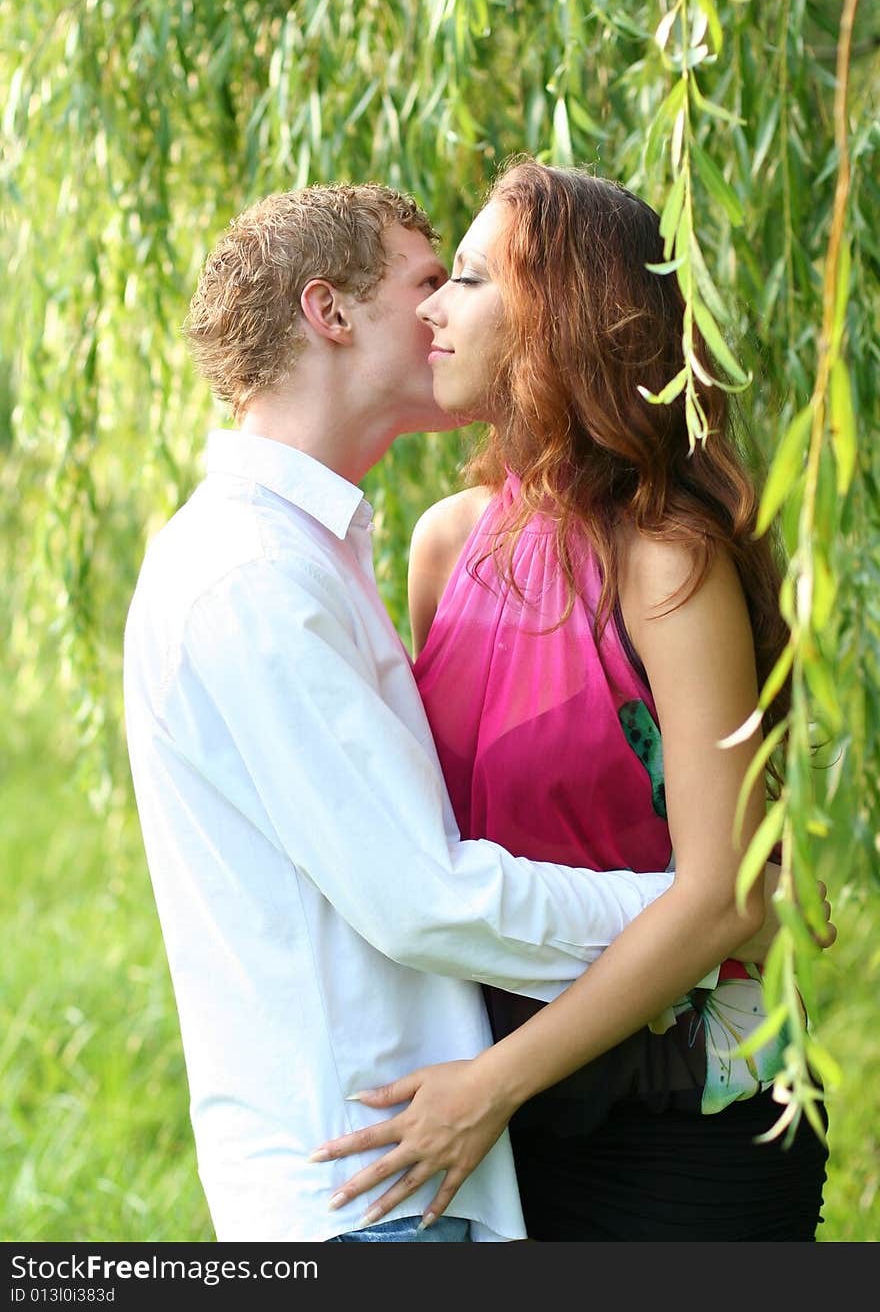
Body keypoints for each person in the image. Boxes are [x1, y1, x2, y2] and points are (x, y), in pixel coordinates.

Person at [122, 181, 723, 1244]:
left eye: (466, 279)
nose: (442, 305)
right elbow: (422, 896)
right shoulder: (254, 577)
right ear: (330, 312)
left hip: (441, 1153)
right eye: (425, 277)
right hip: (366, 1174)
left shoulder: (318, 552)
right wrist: (690, 915)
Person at [309, 162, 831, 1241]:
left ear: (559, 318)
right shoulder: (447, 545)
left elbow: (729, 894)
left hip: (684, 1120)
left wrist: (492, 1084)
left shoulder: (666, 558)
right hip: (499, 1121)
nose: (430, 310)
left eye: (465, 279)